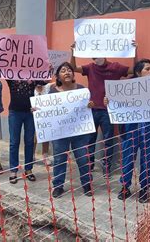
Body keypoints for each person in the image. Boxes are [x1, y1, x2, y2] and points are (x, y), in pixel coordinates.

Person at [69, 42, 136, 176]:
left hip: (108, 111)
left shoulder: (116, 67)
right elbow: (74, 68)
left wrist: (135, 52)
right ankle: (90, 164)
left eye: (98, 56)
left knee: (108, 140)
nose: (96, 59)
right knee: (89, 139)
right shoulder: (90, 67)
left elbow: (134, 71)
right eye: (93, 57)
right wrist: (73, 52)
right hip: (92, 109)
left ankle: (107, 166)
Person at [104, 59, 150, 203]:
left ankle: (144, 189)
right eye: (147, 69)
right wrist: (108, 102)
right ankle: (125, 187)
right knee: (127, 159)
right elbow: (116, 105)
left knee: (148, 160)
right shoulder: (126, 88)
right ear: (138, 72)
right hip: (130, 129)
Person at [42, 62, 93, 198]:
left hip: (79, 132)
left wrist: (89, 105)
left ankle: (87, 184)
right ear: (58, 76)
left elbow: (87, 108)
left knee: (83, 158)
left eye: (69, 70)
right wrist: (37, 110)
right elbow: (46, 109)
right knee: (59, 159)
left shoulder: (81, 89)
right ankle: (58, 186)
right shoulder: (52, 91)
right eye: (63, 70)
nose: (67, 72)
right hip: (59, 132)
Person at [7, 75, 47, 184]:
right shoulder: (11, 76)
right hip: (14, 112)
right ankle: (13, 171)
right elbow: (2, 70)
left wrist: (48, 70)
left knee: (29, 141)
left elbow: (44, 81)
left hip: (30, 113)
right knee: (14, 142)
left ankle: (28, 169)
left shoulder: (33, 76)